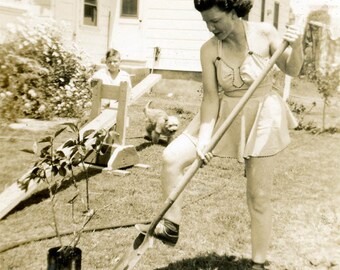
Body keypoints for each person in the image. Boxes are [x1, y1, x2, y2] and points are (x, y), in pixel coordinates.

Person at [137, 0, 303, 269]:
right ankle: (171, 226)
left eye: (215, 21)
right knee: (171, 157)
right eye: (205, 22)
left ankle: (258, 263)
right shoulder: (208, 49)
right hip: (225, 111)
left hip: (262, 115)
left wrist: (296, 46)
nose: (210, 27)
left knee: (258, 196)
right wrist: (204, 139)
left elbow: (293, 69)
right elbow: (211, 99)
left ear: (233, 11)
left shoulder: (264, 33)